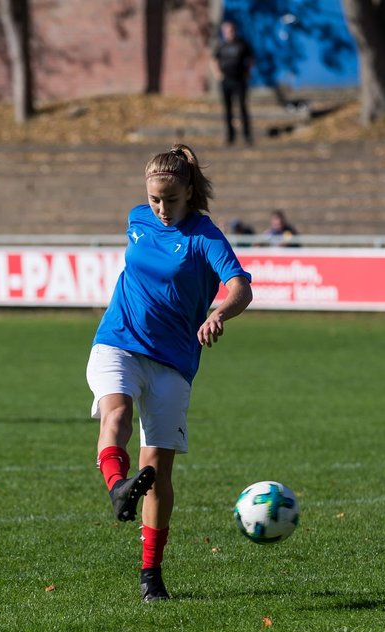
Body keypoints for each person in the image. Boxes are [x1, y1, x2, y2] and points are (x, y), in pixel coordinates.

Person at [86, 144, 253, 602]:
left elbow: (240, 287)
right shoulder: (136, 219)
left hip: (174, 360)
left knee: (158, 471)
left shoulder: (205, 236)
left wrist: (219, 312)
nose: (161, 208)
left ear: (190, 192)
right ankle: (119, 488)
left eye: (171, 200)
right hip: (118, 340)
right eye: (155, 198)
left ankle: (151, 575)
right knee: (114, 416)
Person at [213, 20, 254, 146]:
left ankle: (247, 136)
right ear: (223, 32)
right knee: (228, 109)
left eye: (231, 30)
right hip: (226, 81)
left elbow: (251, 58)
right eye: (226, 31)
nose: (229, 33)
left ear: (235, 31)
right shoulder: (220, 45)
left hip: (240, 80)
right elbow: (213, 60)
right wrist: (217, 74)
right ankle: (230, 137)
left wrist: (247, 71)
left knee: (242, 107)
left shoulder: (242, 44)